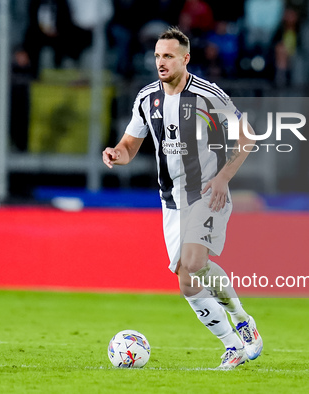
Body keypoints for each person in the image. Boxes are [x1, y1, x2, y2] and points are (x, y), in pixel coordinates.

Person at [102, 27, 262, 369]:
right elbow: (131, 145)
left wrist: (222, 178)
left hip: (207, 193)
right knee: (188, 282)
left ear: (185, 59)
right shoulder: (147, 99)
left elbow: (247, 137)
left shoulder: (207, 95)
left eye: (169, 56)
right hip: (171, 201)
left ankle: (242, 318)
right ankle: (232, 345)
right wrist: (116, 153)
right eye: (158, 56)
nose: (161, 62)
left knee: (192, 262)